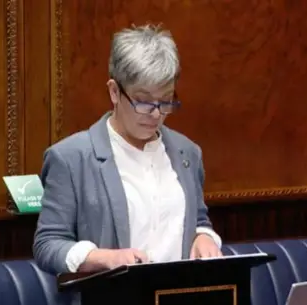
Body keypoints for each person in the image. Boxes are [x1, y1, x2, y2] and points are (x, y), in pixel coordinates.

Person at [33, 23, 223, 276]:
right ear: (114, 91)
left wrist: (204, 237)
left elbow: (199, 221)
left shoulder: (187, 153)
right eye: (143, 101)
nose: (156, 113)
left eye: (165, 100)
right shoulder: (70, 158)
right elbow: (48, 245)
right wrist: (104, 258)